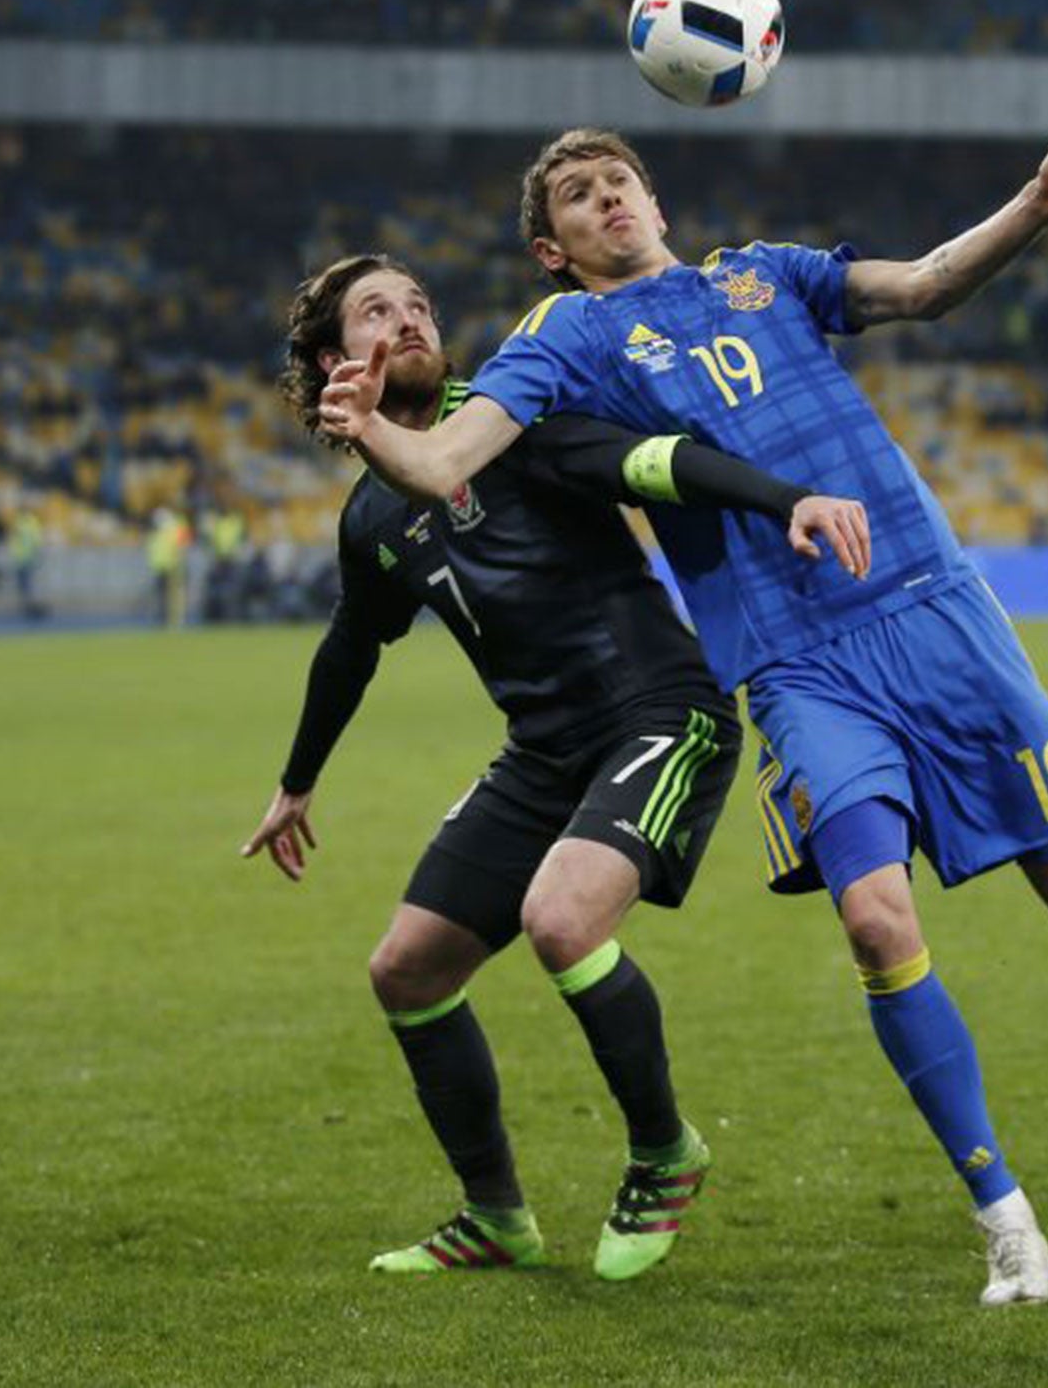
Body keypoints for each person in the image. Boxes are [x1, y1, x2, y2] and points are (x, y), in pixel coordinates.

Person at [317, 123, 1048, 1306]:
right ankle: (1003, 1216)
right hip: (792, 662)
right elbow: (443, 459)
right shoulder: (561, 339)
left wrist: (1031, 202)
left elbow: (923, 287)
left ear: (652, 195)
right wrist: (369, 425)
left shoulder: (762, 271)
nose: (605, 198)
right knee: (878, 924)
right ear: (548, 248)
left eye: (617, 179)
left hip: (932, 603)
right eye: (575, 196)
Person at [244, 253, 869, 1281]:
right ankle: (495, 1218)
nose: (406, 319)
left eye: (416, 304)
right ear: (329, 361)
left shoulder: (512, 419)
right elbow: (351, 644)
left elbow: (654, 462)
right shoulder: (371, 520)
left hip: (663, 713)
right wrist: (296, 780)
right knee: (405, 970)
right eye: (374, 311)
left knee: (561, 920)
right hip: (544, 754)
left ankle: (665, 1153)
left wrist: (783, 498)